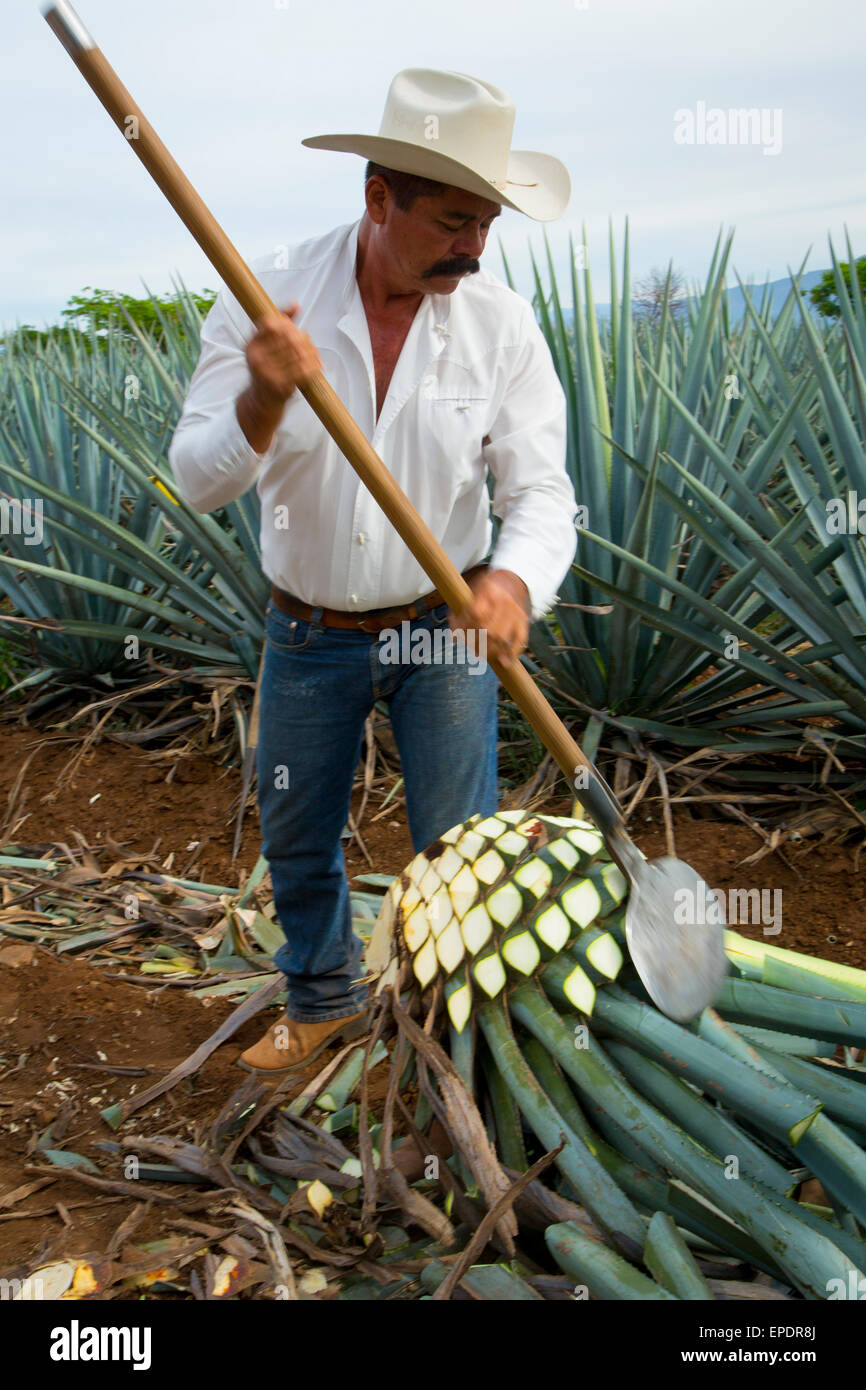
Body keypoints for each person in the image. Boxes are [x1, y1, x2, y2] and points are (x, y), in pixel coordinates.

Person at [169, 68, 577, 1075]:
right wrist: (265, 398)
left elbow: (541, 494)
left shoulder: (499, 327)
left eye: (485, 223)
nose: (472, 246)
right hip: (307, 629)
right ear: (375, 199)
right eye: (450, 219)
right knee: (298, 835)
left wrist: (512, 583)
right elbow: (196, 480)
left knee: (458, 849)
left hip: (442, 630)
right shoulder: (267, 304)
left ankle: (450, 1036)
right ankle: (322, 1003)